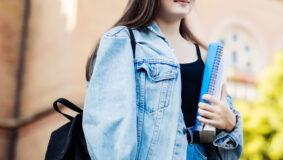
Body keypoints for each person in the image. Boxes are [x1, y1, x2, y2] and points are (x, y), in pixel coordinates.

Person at [82, 0, 243, 159]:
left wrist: (229, 124)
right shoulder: (122, 41)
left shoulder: (206, 56)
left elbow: (227, 151)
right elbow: (109, 135)